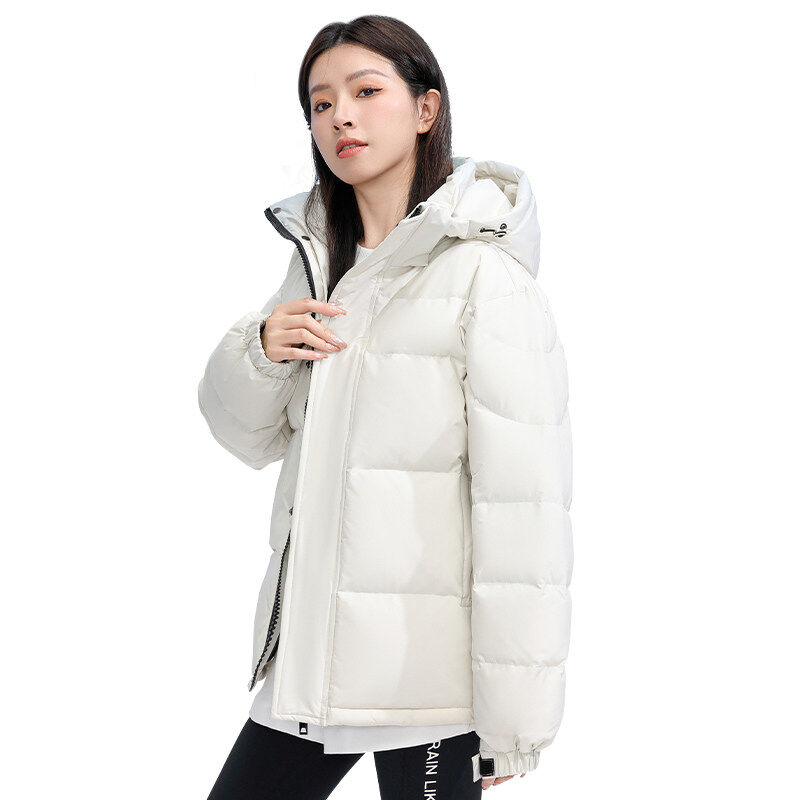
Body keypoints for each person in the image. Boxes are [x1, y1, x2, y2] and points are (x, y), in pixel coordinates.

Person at [198, 14, 574, 800]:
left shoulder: (485, 281)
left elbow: (523, 513)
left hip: (428, 693)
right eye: (320, 102)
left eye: (366, 91)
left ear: (426, 108)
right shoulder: (318, 269)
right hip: (309, 671)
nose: (341, 115)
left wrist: (515, 721)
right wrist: (261, 349)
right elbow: (247, 438)